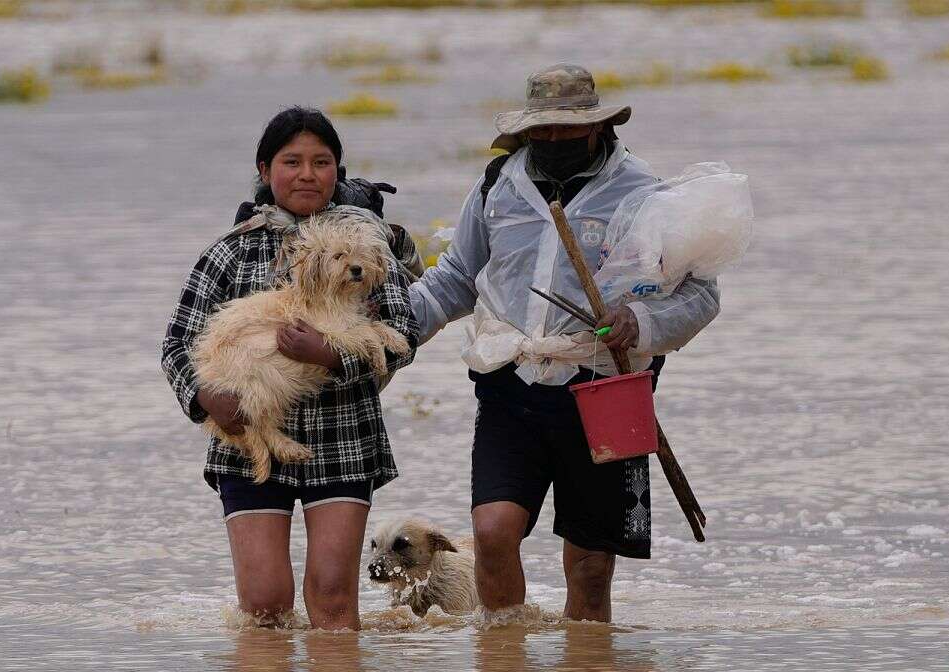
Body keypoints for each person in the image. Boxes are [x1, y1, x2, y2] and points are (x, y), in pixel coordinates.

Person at [409, 64, 720, 622]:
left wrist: (639, 321)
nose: (553, 140)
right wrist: (393, 332)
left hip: (607, 387)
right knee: (493, 529)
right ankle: (505, 651)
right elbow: (456, 277)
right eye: (543, 130)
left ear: (597, 127)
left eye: (567, 129)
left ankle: (586, 658)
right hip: (512, 381)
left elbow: (700, 295)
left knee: (591, 566)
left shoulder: (644, 193)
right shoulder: (497, 185)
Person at [161, 106, 418, 630]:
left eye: (321, 162)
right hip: (247, 437)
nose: (307, 174)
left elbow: (402, 338)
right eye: (291, 161)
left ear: (338, 173)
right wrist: (203, 397)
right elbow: (177, 344)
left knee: (332, 600)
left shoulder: (367, 247)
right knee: (263, 604)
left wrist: (328, 353)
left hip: (344, 438)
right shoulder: (230, 253)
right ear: (264, 171)